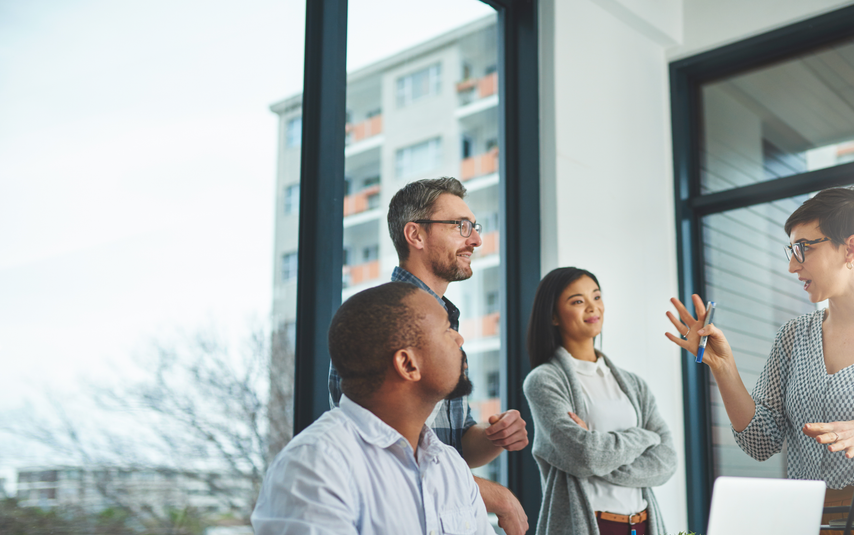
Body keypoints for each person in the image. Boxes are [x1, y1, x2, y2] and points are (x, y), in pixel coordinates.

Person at [665, 186, 854, 535]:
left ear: (850, 248)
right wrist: (724, 368)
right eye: (791, 250)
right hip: (813, 519)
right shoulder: (793, 337)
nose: (792, 265)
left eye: (803, 249)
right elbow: (760, 442)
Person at [328, 176, 530, 535]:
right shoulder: (378, 321)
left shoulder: (446, 329)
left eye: (475, 227)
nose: (476, 240)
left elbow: (454, 445)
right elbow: (385, 456)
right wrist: (497, 496)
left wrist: (492, 436)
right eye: (460, 226)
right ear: (416, 235)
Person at [252, 282, 494, 534]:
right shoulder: (314, 466)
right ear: (408, 364)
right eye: (447, 330)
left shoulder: (450, 466)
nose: (460, 338)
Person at [523, 267, 677, 535]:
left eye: (596, 297)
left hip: (642, 525)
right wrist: (644, 438)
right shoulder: (543, 381)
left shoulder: (634, 384)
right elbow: (586, 456)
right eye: (578, 301)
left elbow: (666, 462)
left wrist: (598, 452)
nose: (593, 308)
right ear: (553, 316)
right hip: (590, 524)